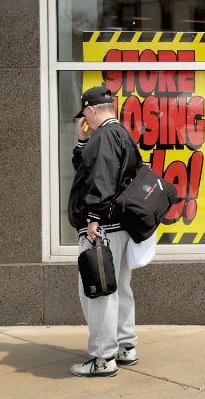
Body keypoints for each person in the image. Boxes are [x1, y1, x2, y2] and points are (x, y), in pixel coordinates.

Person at [67, 86, 142, 377]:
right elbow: (88, 170)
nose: (84, 120)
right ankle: (125, 347)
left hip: (102, 228)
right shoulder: (120, 133)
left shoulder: (105, 136)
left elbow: (100, 179)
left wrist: (93, 218)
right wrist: (82, 142)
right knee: (119, 288)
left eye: (84, 114)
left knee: (98, 293)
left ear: (91, 110)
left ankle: (103, 358)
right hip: (119, 227)